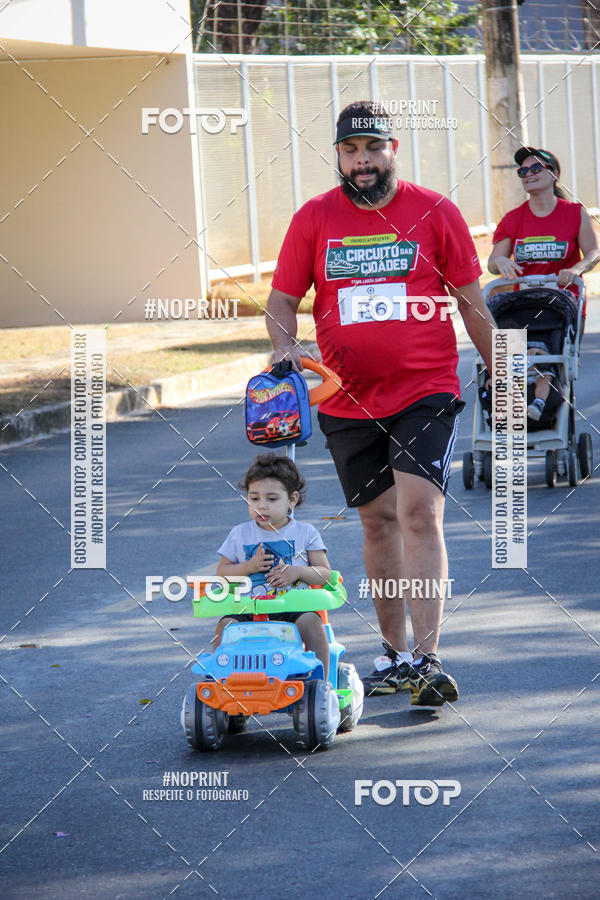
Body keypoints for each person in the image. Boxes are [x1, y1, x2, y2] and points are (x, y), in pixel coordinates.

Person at [266, 100, 496, 706]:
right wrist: (286, 352)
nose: (362, 161)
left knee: (419, 513)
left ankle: (428, 656)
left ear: (393, 148)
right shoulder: (314, 218)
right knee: (376, 521)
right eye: (350, 151)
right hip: (344, 396)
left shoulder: (434, 212)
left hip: (426, 388)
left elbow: (473, 303)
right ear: (339, 155)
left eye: (372, 149)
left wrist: (506, 372)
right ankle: (393, 655)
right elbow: (283, 299)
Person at [214, 453, 332, 679]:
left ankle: (320, 682)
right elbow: (222, 572)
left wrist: (298, 571)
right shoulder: (240, 533)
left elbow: (325, 574)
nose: (262, 506)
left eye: (271, 499)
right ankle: (223, 680)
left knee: (312, 623)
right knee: (226, 625)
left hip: (293, 607)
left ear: (292, 499)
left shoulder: (306, 533)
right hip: (249, 608)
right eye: (254, 498)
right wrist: (248, 567)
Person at [488, 147, 600, 306]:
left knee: (557, 330)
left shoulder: (575, 213)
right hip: (523, 305)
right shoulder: (511, 219)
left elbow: (594, 253)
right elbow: (492, 264)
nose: (528, 174)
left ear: (554, 174)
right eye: (523, 171)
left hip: (563, 305)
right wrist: (500, 261)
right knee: (503, 330)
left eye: (536, 168)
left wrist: (575, 270)